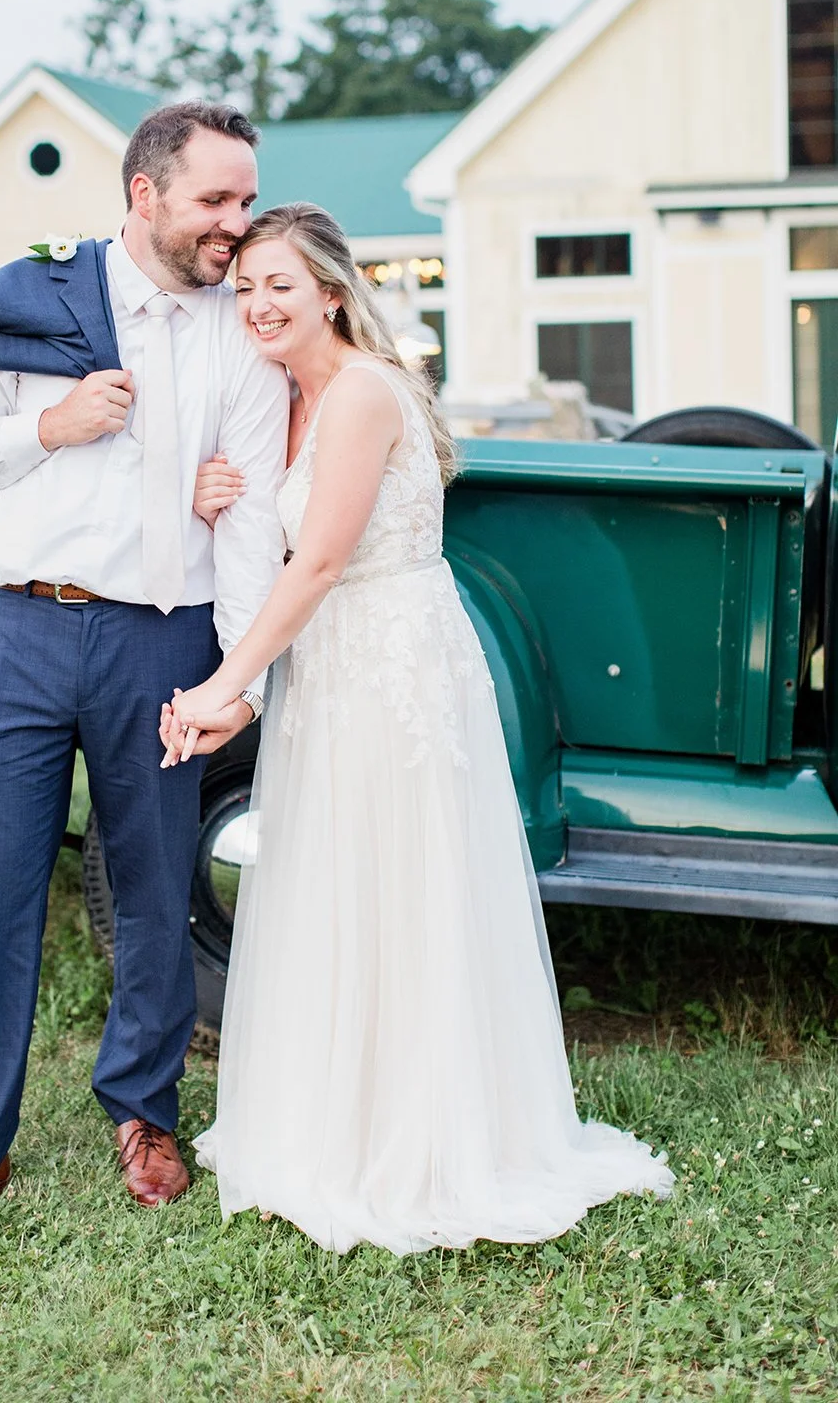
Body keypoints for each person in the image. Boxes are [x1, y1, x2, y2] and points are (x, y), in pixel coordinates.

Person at [161, 204, 675, 1255]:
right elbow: (280, 531)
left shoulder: (356, 395)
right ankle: (334, 1120)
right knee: (339, 883)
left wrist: (225, 688)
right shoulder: (287, 399)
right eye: (246, 286)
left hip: (387, 661)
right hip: (337, 663)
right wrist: (217, 490)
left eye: (281, 287)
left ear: (332, 297)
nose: (258, 305)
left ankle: (416, 1142)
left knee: (402, 885)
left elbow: (316, 562)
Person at [0, 100, 289, 1234]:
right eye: (215, 200)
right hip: (16, 632)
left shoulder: (241, 328)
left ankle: (144, 1112)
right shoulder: (26, 303)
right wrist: (52, 428)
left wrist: (234, 670)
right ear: (143, 195)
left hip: (162, 638)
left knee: (152, 888)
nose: (235, 225)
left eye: (246, 200)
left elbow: (244, 513)